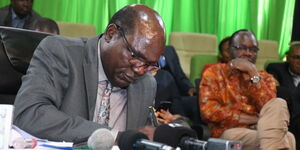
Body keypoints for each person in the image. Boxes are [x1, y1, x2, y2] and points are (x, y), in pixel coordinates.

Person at [13, 4, 166, 142]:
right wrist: (114, 137)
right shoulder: (60, 53)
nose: (140, 70)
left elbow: (144, 138)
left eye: (149, 64)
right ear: (111, 34)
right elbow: (29, 114)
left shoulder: (146, 85)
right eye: (135, 56)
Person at [200, 29, 295, 150]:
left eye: (253, 50)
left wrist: (252, 74)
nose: (248, 53)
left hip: (262, 130)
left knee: (279, 103)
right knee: (287, 139)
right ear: (230, 50)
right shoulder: (214, 73)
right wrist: (254, 119)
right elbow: (209, 112)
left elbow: (269, 107)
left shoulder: (265, 77)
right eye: (242, 48)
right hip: (229, 131)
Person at [266, 41, 300, 150]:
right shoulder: (276, 69)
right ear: (288, 58)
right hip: (284, 117)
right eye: (297, 57)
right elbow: (276, 90)